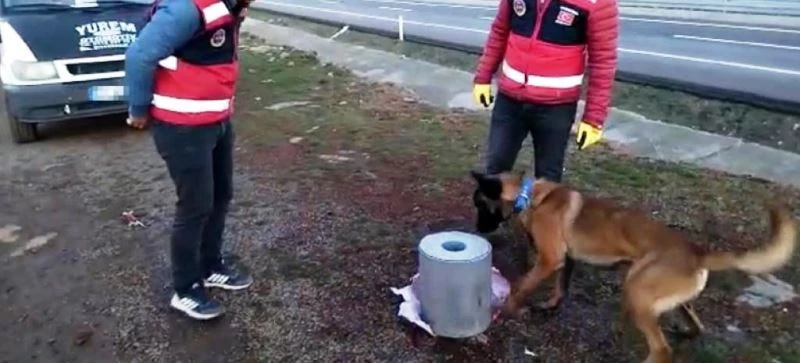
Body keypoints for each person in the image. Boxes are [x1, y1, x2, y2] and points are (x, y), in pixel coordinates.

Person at [124, 0, 253, 320]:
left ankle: (211, 266)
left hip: (217, 120)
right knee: (195, 206)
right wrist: (138, 109)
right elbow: (139, 55)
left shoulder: (228, 7)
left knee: (220, 195)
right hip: (182, 126)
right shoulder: (187, 8)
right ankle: (185, 289)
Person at [472, 0, 618, 211]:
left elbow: (603, 60)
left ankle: (542, 237)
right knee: (495, 168)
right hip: (510, 100)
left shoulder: (598, 3)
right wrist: (483, 77)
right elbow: (500, 31)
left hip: (556, 108)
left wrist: (593, 118)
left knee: (548, 182)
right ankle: (489, 224)